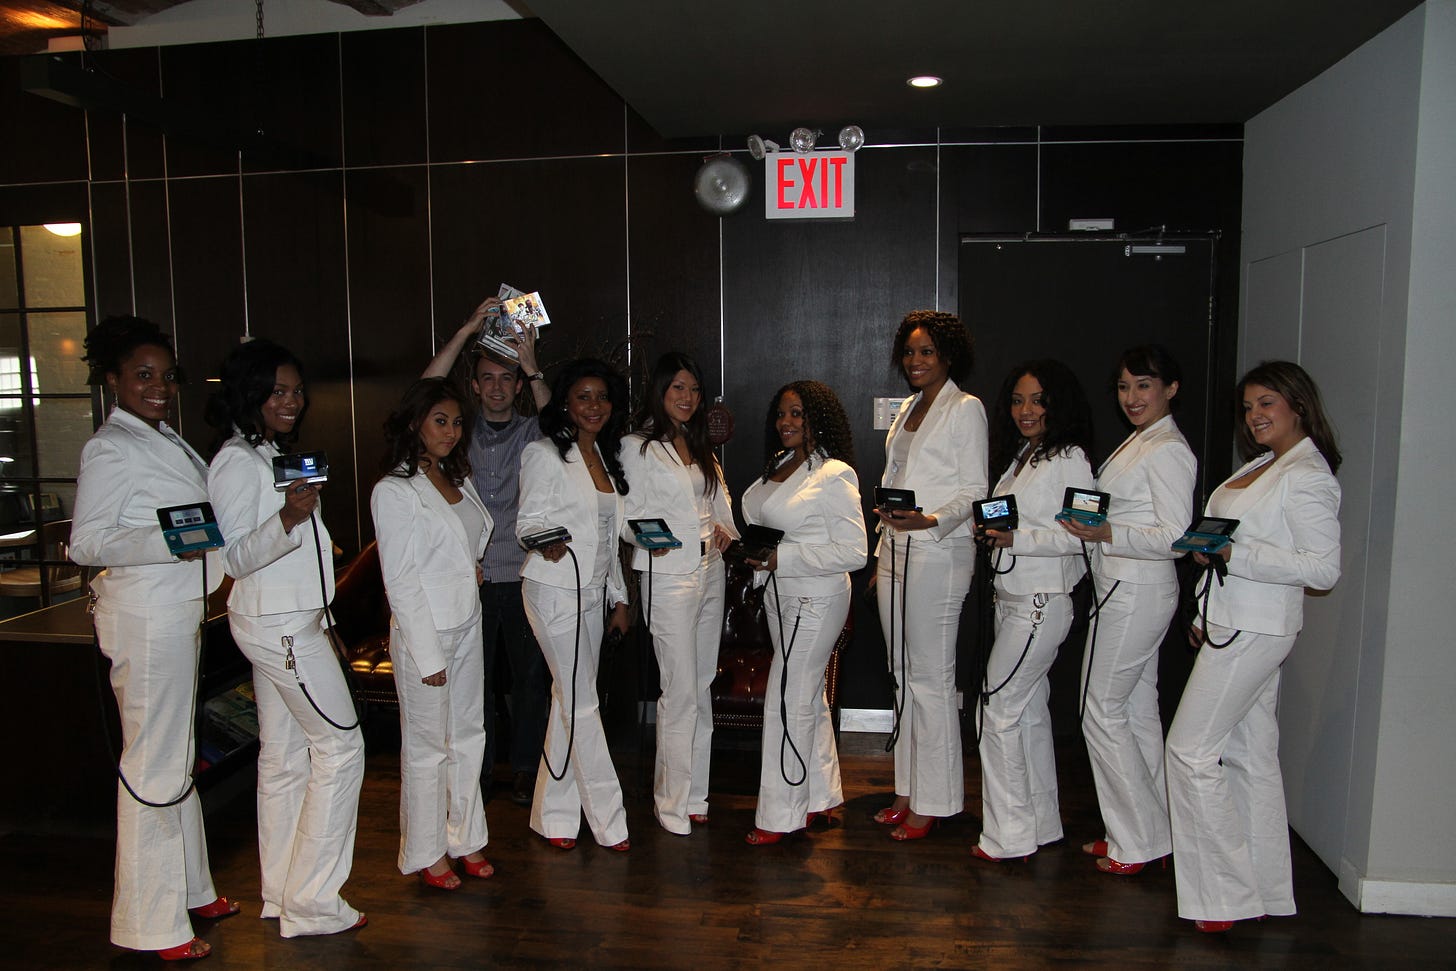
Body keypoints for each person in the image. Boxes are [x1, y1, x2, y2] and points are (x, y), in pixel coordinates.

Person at [70, 316, 234, 962]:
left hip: (177, 612)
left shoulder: (164, 439)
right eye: (143, 375)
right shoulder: (109, 448)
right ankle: (150, 922)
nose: (158, 387)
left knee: (176, 752)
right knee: (152, 765)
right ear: (112, 379)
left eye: (166, 376)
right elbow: (87, 542)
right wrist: (168, 541)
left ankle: (193, 887)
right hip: (144, 616)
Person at [1167, 360, 1342, 933]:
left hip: (1258, 628)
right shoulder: (1267, 464)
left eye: (1267, 402)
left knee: (1189, 752)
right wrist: (1205, 594)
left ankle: (1224, 894)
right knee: (1251, 758)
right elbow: (1229, 541)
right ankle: (1266, 888)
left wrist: (1234, 556)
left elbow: (1322, 569)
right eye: (1248, 406)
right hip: (1232, 618)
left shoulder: (1308, 473)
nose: (1255, 415)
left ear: (1298, 404)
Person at [204, 339, 366, 937]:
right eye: (278, 391)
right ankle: (313, 901)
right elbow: (233, 558)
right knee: (342, 749)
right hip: (278, 624)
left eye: (296, 391)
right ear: (250, 394)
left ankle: (281, 894)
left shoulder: (268, 454)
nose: (292, 401)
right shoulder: (236, 462)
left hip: (293, 619)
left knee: (284, 759)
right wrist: (290, 519)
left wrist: (325, 618)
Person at [1059, 345, 1196, 874]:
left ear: (1171, 389)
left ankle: (1135, 841)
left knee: (1102, 711)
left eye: (1144, 385)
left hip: (1136, 588)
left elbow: (1176, 537)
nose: (1132, 397)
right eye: (1123, 386)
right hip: (1122, 586)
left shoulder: (1167, 450)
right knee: (1136, 712)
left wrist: (1109, 531)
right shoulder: (1141, 442)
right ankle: (1151, 833)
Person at [424, 297, 552, 806]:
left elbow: (562, 423)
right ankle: (477, 772)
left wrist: (532, 363)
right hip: (469, 580)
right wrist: (465, 329)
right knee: (471, 685)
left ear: (517, 386)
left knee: (530, 682)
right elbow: (424, 393)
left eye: (507, 378)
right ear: (474, 386)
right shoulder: (453, 434)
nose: (497, 387)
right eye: (488, 378)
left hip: (522, 577)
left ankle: (524, 769)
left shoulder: (533, 433)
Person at [371, 378, 494, 890]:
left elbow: (468, 539)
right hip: (427, 634)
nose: (450, 431)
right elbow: (399, 579)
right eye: (440, 421)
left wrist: (469, 568)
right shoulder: (394, 490)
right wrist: (426, 655)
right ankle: (426, 852)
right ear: (416, 423)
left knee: (469, 737)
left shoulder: (456, 477)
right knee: (426, 748)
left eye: (457, 422)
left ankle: (465, 837)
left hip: (468, 622)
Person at [971, 361, 1094, 862]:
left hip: (1040, 604)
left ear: (1056, 404)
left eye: (1038, 400)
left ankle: (1009, 835)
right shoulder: (1021, 458)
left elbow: (1079, 536)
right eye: (1019, 400)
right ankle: (1041, 824)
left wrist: (1016, 538)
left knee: (995, 709)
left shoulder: (1070, 459)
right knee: (1027, 716)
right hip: (1014, 600)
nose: (1026, 410)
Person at [872, 310, 988, 840]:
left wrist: (930, 520)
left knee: (931, 679)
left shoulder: (966, 409)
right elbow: (891, 478)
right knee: (901, 674)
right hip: (895, 550)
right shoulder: (909, 409)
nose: (916, 361)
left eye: (927, 352)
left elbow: (974, 492)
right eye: (910, 352)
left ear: (947, 356)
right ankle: (908, 787)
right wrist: (882, 548)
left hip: (939, 555)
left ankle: (937, 801)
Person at [740, 380, 866, 845]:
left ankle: (780, 814)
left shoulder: (833, 473)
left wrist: (782, 559)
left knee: (787, 698)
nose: (787, 423)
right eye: (782, 414)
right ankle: (822, 794)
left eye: (798, 414)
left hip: (816, 598)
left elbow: (855, 551)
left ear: (817, 419)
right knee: (806, 697)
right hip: (779, 595)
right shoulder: (779, 465)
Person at [619, 352, 737, 835]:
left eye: (693, 390)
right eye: (677, 389)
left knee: (701, 685)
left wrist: (727, 528)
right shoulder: (636, 446)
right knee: (679, 690)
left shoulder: (698, 443)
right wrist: (646, 538)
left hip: (711, 570)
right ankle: (670, 803)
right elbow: (623, 516)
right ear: (660, 392)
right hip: (668, 575)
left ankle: (695, 795)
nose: (687, 398)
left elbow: (718, 502)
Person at [518, 358, 633, 852]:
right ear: (565, 401)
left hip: (592, 593)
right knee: (582, 702)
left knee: (568, 701)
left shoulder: (605, 457)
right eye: (584, 397)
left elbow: (609, 539)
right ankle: (610, 822)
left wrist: (620, 597)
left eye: (602, 398)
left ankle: (554, 816)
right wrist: (545, 542)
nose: (594, 406)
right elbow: (526, 521)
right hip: (552, 588)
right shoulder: (544, 454)